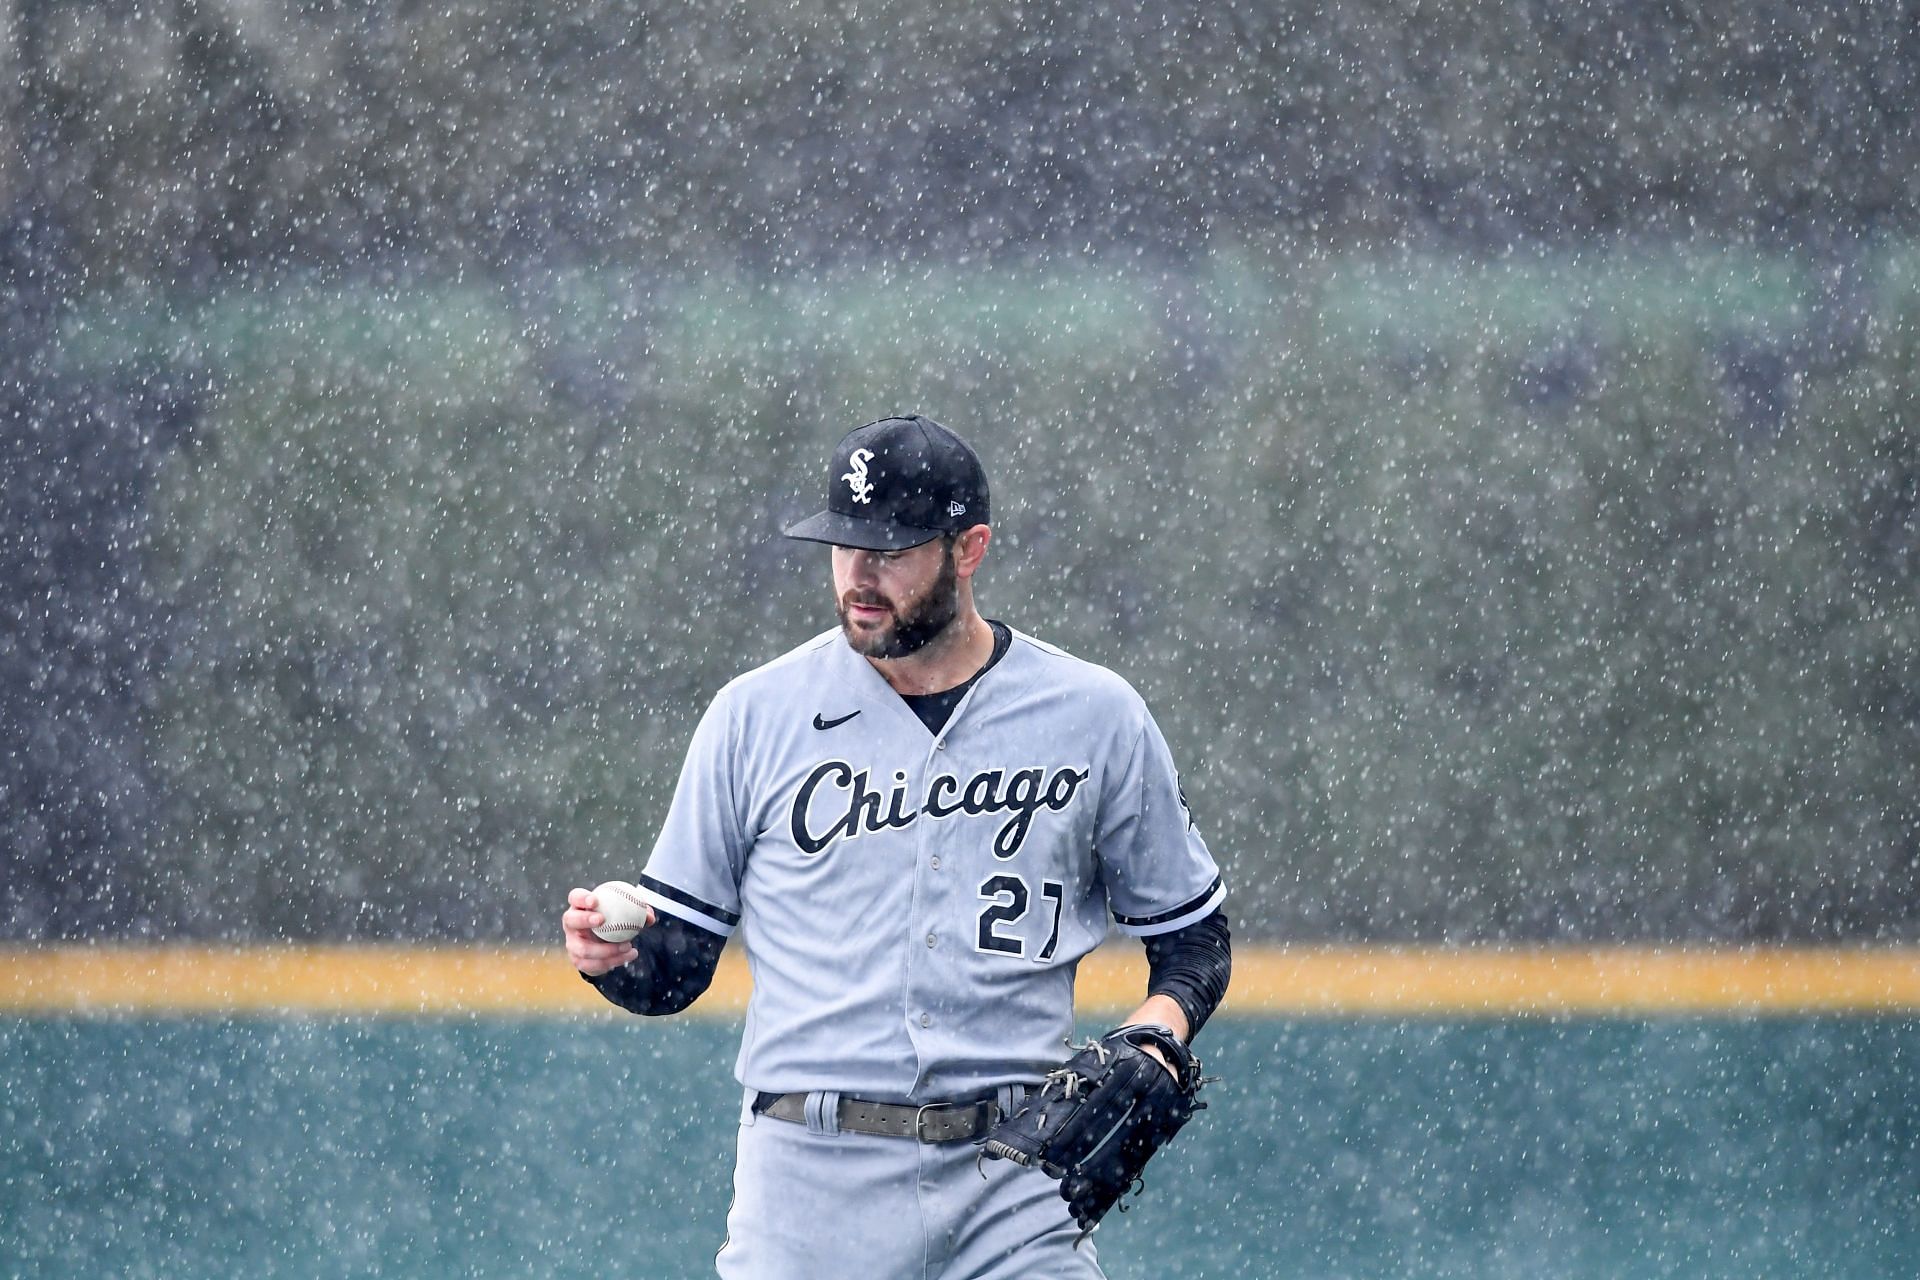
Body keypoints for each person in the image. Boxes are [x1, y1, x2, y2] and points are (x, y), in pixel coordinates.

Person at [562, 415, 1231, 1279]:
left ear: (971, 547)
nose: (860, 575)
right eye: (844, 545)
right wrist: (616, 960)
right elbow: (678, 966)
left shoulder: (1094, 715)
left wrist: (1155, 1034)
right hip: (808, 1181)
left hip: (1016, 1185)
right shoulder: (755, 715)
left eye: (893, 548)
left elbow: (1194, 940)